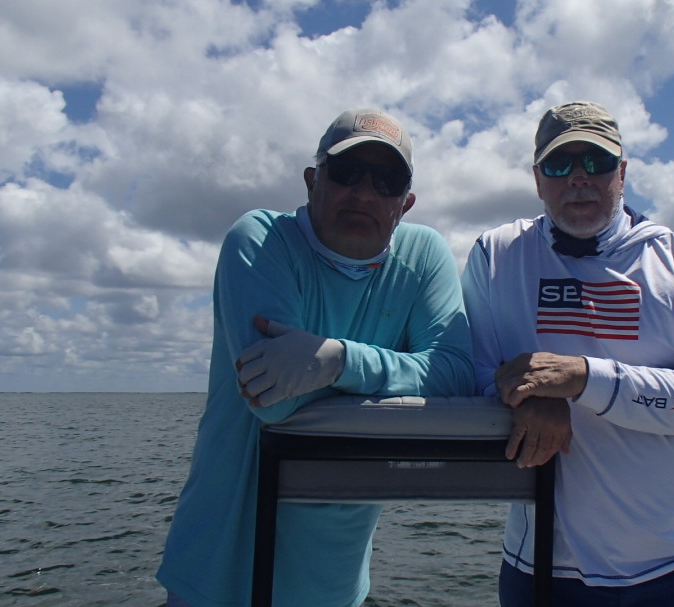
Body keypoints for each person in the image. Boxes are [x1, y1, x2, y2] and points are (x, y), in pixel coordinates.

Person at [157, 109, 474, 607]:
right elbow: (273, 402)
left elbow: (457, 373)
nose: (364, 193)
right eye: (346, 173)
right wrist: (407, 377)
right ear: (312, 181)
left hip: (338, 586)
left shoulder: (425, 256)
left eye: (386, 181)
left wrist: (336, 361)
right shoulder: (260, 240)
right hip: (217, 579)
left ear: (406, 203)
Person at [461, 101, 674, 606]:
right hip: (544, 574)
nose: (579, 178)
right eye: (559, 165)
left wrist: (584, 379)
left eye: (595, 163)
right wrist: (525, 399)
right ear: (537, 179)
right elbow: (470, 372)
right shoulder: (496, 254)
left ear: (622, 173)